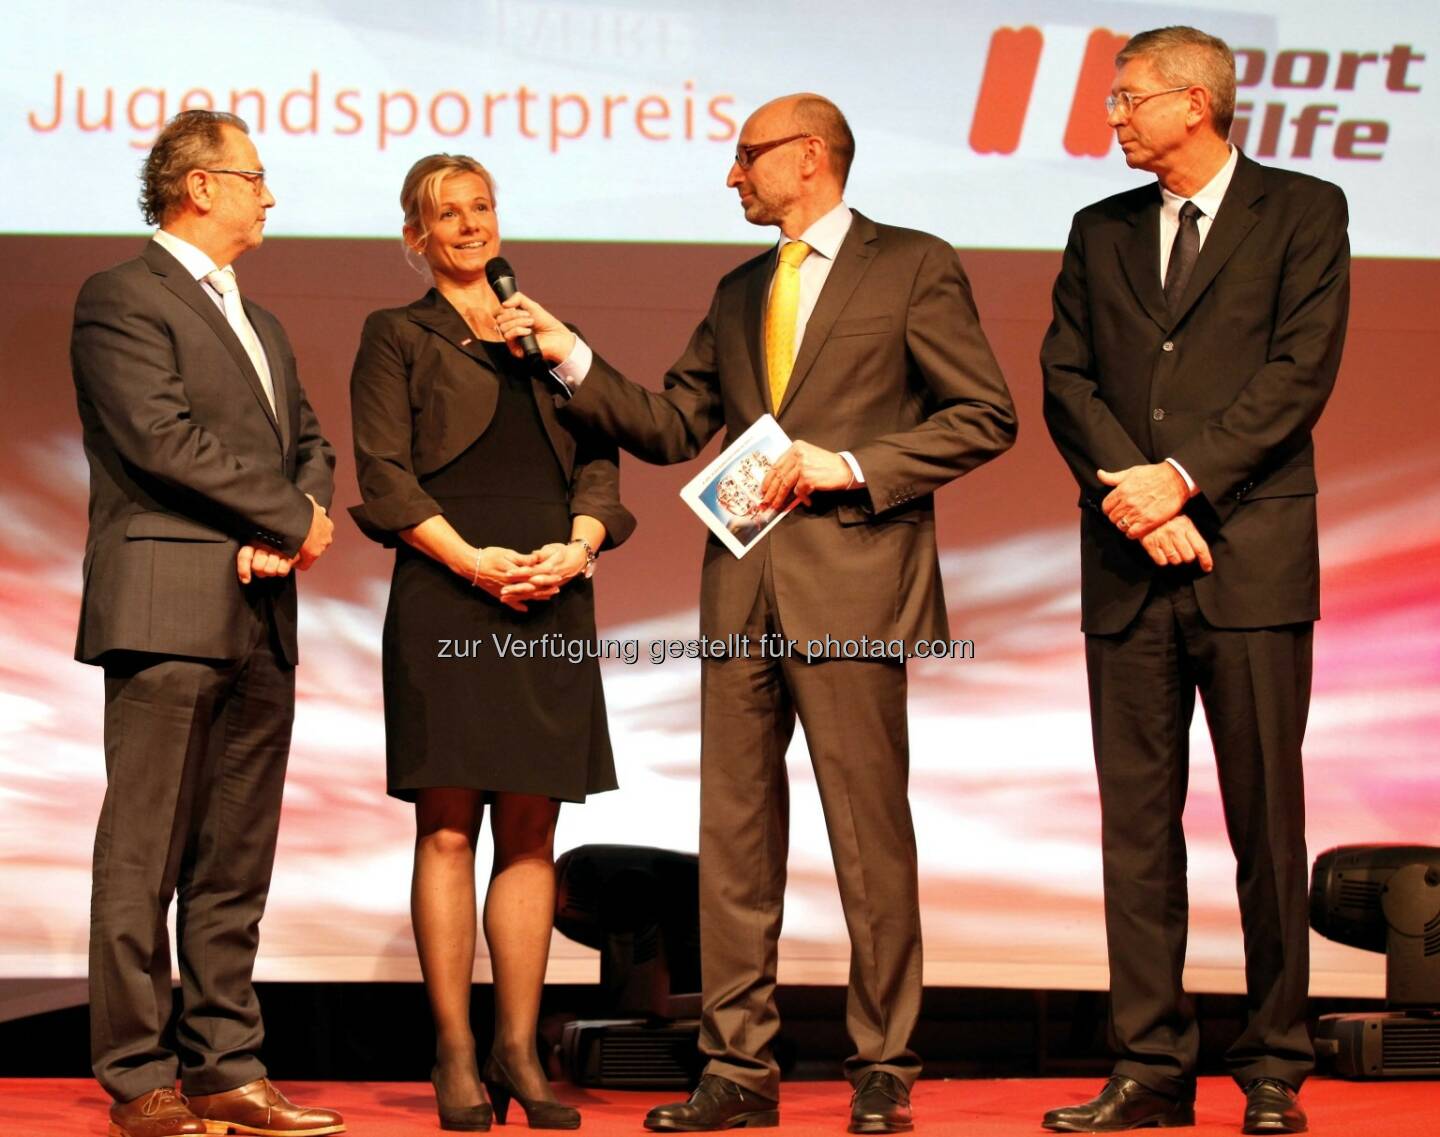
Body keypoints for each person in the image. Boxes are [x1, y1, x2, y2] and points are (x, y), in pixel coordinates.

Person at [497, 93, 1015, 1134]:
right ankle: (738, 1067)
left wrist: (853, 466)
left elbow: (984, 415)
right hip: (741, 593)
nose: (733, 177)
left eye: (746, 159)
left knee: (870, 839)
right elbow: (677, 421)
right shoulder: (738, 290)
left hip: (855, 585)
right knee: (732, 838)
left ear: (810, 158)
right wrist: (569, 352)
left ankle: (884, 1066)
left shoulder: (912, 263)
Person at [1039, 26, 1349, 1136]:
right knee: (1137, 827)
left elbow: (1297, 373)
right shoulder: (1100, 229)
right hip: (1128, 563)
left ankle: (1272, 1062)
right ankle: (1150, 1067)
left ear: (1195, 103)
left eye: (1128, 99)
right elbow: (1065, 378)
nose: (1113, 118)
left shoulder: (1302, 212)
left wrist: (1181, 483)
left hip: (1250, 559)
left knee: (1266, 824)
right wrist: (1135, 496)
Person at [349, 153, 635, 1132]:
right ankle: (457, 1052)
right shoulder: (396, 334)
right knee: (446, 826)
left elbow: (602, 463)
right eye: (446, 214)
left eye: (480, 207)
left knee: (533, 829)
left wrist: (578, 546)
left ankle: (520, 1049)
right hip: (449, 589)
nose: (469, 226)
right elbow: (385, 478)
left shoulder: (546, 334)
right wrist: (475, 563)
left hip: (550, 593)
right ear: (416, 237)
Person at [71, 109, 342, 1137]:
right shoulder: (120, 297)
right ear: (200, 186)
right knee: (146, 857)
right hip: (169, 610)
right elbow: (160, 439)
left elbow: (307, 439)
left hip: (263, 610)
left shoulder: (260, 321)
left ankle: (228, 1066)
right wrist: (283, 515)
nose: (269, 195)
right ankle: (141, 1079)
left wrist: (304, 518)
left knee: (235, 863)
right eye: (257, 176)